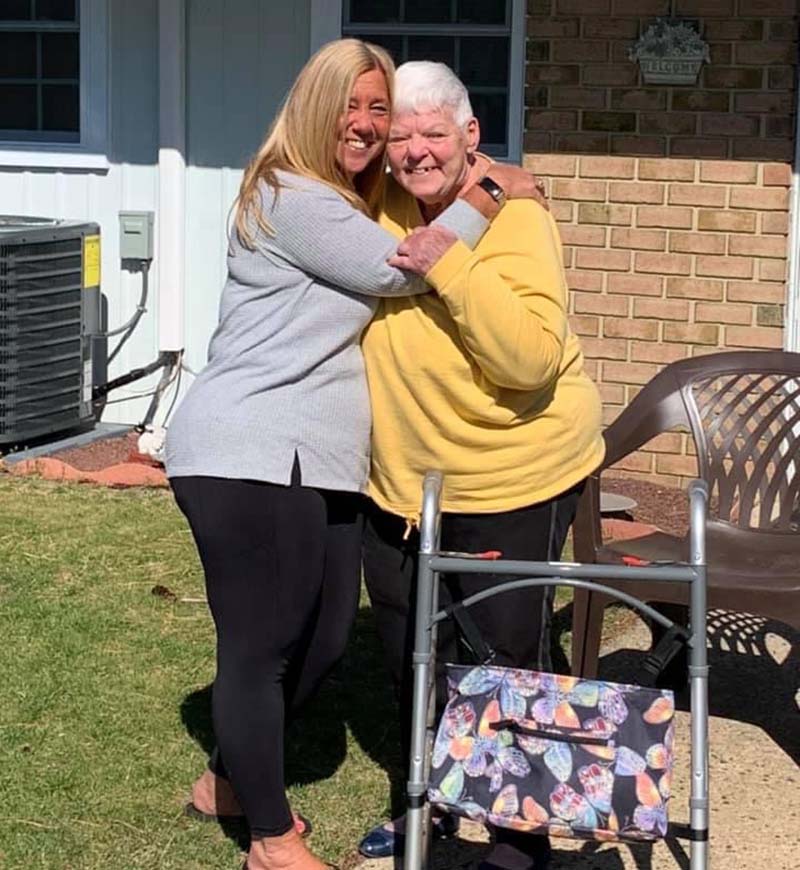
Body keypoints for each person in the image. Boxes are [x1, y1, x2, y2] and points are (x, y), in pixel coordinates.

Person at [165, 40, 541, 870]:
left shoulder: (342, 199)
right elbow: (405, 268)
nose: (369, 126)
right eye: (354, 106)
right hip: (250, 449)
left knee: (328, 640)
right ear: (313, 107)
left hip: (317, 459)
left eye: (379, 108)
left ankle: (226, 779)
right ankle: (269, 838)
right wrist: (490, 184)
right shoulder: (291, 194)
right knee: (261, 647)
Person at [357, 62, 606, 870]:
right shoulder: (384, 201)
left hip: (512, 473)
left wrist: (450, 263)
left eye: (435, 132)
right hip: (401, 479)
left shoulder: (518, 223)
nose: (415, 150)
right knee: (407, 650)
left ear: (471, 137)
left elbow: (529, 362)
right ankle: (424, 803)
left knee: (503, 656)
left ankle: (516, 833)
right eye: (401, 135)